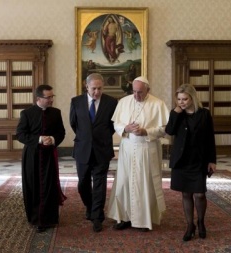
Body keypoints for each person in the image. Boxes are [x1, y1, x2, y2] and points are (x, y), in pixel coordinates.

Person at [107, 76, 170, 232]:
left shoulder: (158, 104)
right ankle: (123, 218)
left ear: (148, 90)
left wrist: (146, 131)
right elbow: (116, 123)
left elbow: (164, 128)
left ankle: (144, 220)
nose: (136, 95)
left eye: (140, 92)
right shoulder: (124, 102)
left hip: (147, 149)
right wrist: (125, 129)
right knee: (124, 183)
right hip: (127, 149)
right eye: (134, 91)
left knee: (145, 184)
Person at [165, 83, 217, 241]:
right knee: (186, 193)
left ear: (192, 97)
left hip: (198, 159)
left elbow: (210, 138)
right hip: (182, 160)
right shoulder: (176, 114)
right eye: (179, 99)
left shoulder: (204, 114)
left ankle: (201, 222)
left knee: (200, 194)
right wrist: (175, 113)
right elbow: (169, 131)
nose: (181, 102)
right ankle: (190, 225)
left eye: (185, 99)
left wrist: (212, 160)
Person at [69, 73, 118, 232]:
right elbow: (73, 123)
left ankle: (97, 217)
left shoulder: (111, 102)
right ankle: (89, 207)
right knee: (83, 182)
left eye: (100, 88)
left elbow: (112, 127)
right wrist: (86, 137)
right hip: (82, 149)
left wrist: (100, 137)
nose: (97, 92)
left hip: (102, 149)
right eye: (94, 88)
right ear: (87, 86)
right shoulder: (76, 102)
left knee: (99, 183)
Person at [16, 84, 66, 233]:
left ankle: (50, 218)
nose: (51, 100)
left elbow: (61, 132)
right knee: (34, 186)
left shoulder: (56, 113)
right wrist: (39, 140)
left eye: (52, 96)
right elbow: (20, 134)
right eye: (48, 97)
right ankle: (36, 219)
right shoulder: (26, 113)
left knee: (49, 186)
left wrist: (52, 138)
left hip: (49, 156)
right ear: (39, 98)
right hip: (32, 156)